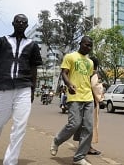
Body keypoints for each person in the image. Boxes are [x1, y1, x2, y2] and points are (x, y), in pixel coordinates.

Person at [0, 14, 42, 165]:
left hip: (24, 88)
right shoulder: (1, 41)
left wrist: (33, 90)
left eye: (24, 22)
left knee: (19, 127)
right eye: (18, 21)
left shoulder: (33, 45)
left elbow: (34, 68)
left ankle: (10, 162)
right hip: (2, 87)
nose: (21, 23)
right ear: (13, 23)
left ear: (27, 25)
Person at [50, 36, 94, 165]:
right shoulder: (70, 56)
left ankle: (79, 157)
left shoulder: (90, 62)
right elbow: (64, 73)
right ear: (80, 44)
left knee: (88, 128)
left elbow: (88, 78)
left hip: (88, 97)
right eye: (86, 44)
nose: (88, 47)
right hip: (74, 96)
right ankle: (57, 140)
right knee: (74, 124)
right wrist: (69, 85)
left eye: (90, 46)